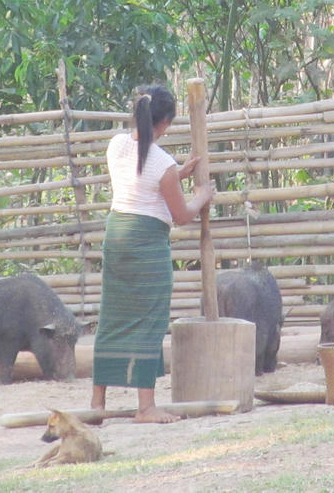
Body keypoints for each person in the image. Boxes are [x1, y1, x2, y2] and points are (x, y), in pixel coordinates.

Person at [91, 84, 214, 424]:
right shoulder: (163, 163)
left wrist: (180, 173)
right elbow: (181, 215)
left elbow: (140, 180)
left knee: (112, 317)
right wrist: (202, 193)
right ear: (166, 124)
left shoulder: (116, 145)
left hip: (117, 236)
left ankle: (96, 403)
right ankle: (145, 406)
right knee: (149, 319)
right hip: (147, 243)